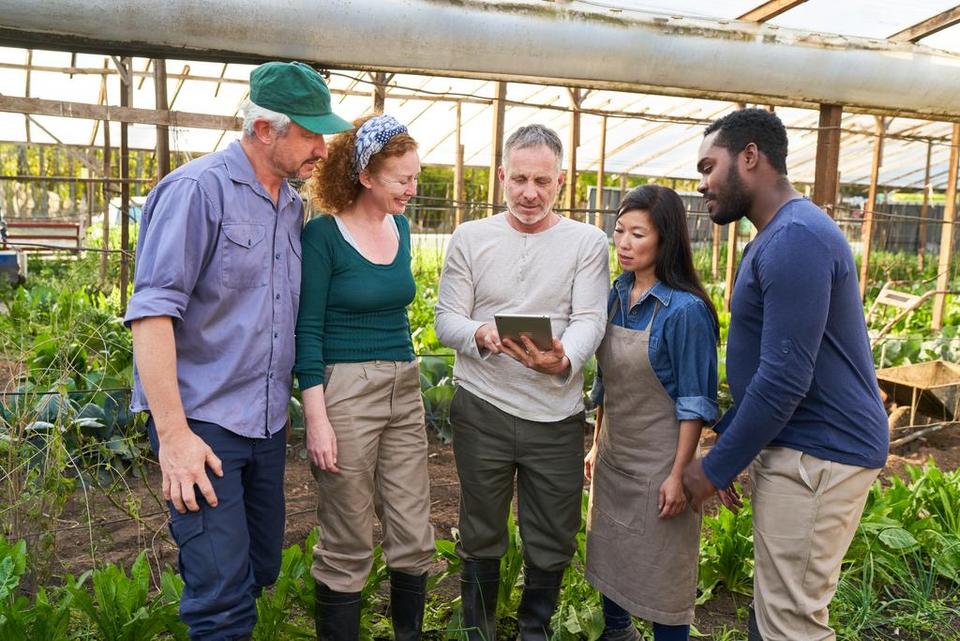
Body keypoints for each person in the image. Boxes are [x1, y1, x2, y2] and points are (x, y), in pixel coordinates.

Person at [125, 62, 352, 641]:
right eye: (309, 134)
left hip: (265, 423)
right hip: (204, 424)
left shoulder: (292, 207)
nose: (322, 149)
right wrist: (173, 437)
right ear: (265, 131)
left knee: (258, 569)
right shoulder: (196, 191)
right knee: (220, 598)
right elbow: (151, 316)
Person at [681, 108, 888, 641]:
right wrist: (734, 434)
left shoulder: (796, 238)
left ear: (750, 156)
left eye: (709, 166)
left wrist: (714, 468)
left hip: (821, 454)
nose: (702, 182)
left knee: (791, 624)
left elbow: (784, 377)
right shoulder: (781, 235)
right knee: (773, 611)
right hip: (805, 448)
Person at [435, 124, 609, 641]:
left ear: (562, 182)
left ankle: (534, 630)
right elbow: (447, 318)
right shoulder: (471, 237)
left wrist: (566, 359)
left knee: (552, 534)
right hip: (483, 406)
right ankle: (478, 632)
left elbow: (590, 318)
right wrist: (482, 333)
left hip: (555, 413)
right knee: (481, 531)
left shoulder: (587, 242)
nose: (529, 193)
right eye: (519, 179)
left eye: (542, 181)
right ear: (501, 177)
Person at [295, 114, 434, 641]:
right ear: (366, 176)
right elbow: (306, 331)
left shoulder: (399, 226)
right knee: (349, 534)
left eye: (415, 176)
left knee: (413, 528)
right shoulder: (323, 236)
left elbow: (396, 310)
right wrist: (318, 419)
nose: (412, 189)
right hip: (346, 390)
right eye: (402, 178)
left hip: (404, 383)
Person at [583, 185, 719, 641]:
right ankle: (618, 633)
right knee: (612, 554)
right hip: (616, 457)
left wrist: (679, 474)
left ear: (666, 239)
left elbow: (695, 404)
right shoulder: (615, 294)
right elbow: (606, 381)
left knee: (665, 578)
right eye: (619, 231)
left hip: (661, 465)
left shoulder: (685, 312)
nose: (623, 243)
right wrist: (597, 445)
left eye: (637, 234)